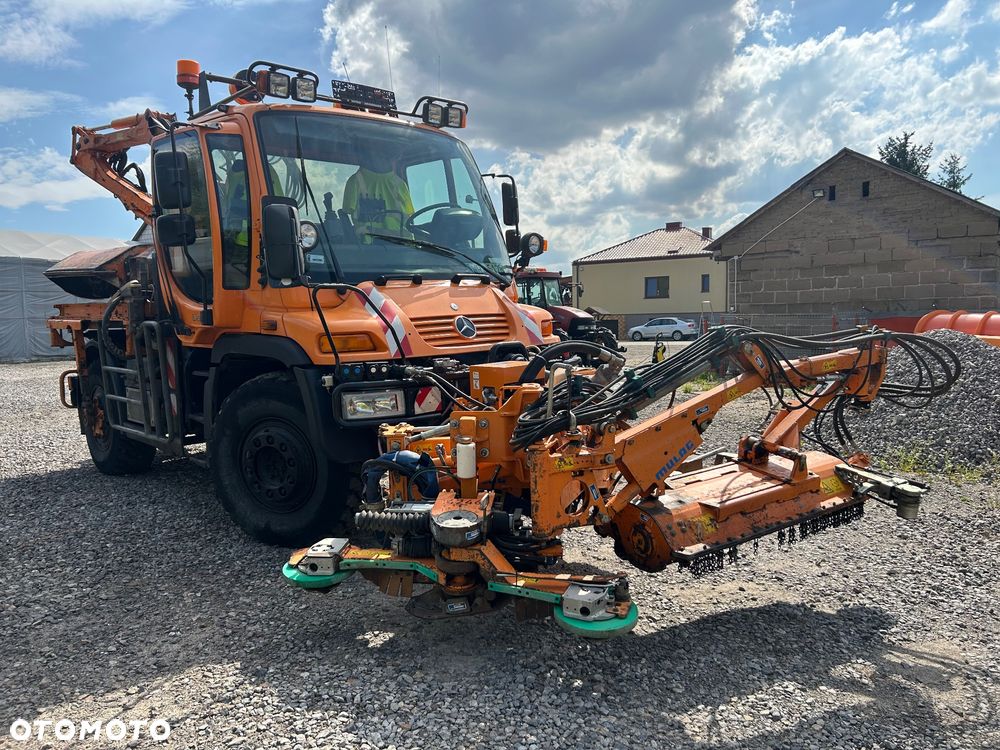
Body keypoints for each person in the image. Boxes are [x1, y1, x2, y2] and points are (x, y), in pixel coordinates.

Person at [342, 142, 413, 237]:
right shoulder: (355, 181)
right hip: (369, 248)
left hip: (402, 246)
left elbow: (408, 217)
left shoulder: (400, 184)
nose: (385, 158)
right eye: (382, 154)